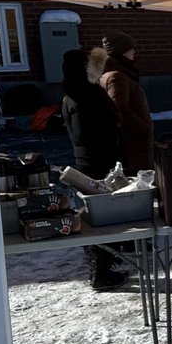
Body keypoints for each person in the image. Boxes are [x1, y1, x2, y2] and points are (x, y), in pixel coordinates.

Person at [60, 47, 128, 291]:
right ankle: (101, 271)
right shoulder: (84, 95)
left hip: (91, 161)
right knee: (103, 218)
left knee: (97, 217)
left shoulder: (74, 93)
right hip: (97, 163)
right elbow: (86, 133)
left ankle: (104, 263)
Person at [100, 29, 154, 174]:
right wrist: (143, 128)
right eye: (130, 48)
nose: (134, 51)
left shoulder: (117, 72)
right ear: (121, 51)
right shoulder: (117, 76)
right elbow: (120, 109)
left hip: (132, 143)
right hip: (133, 145)